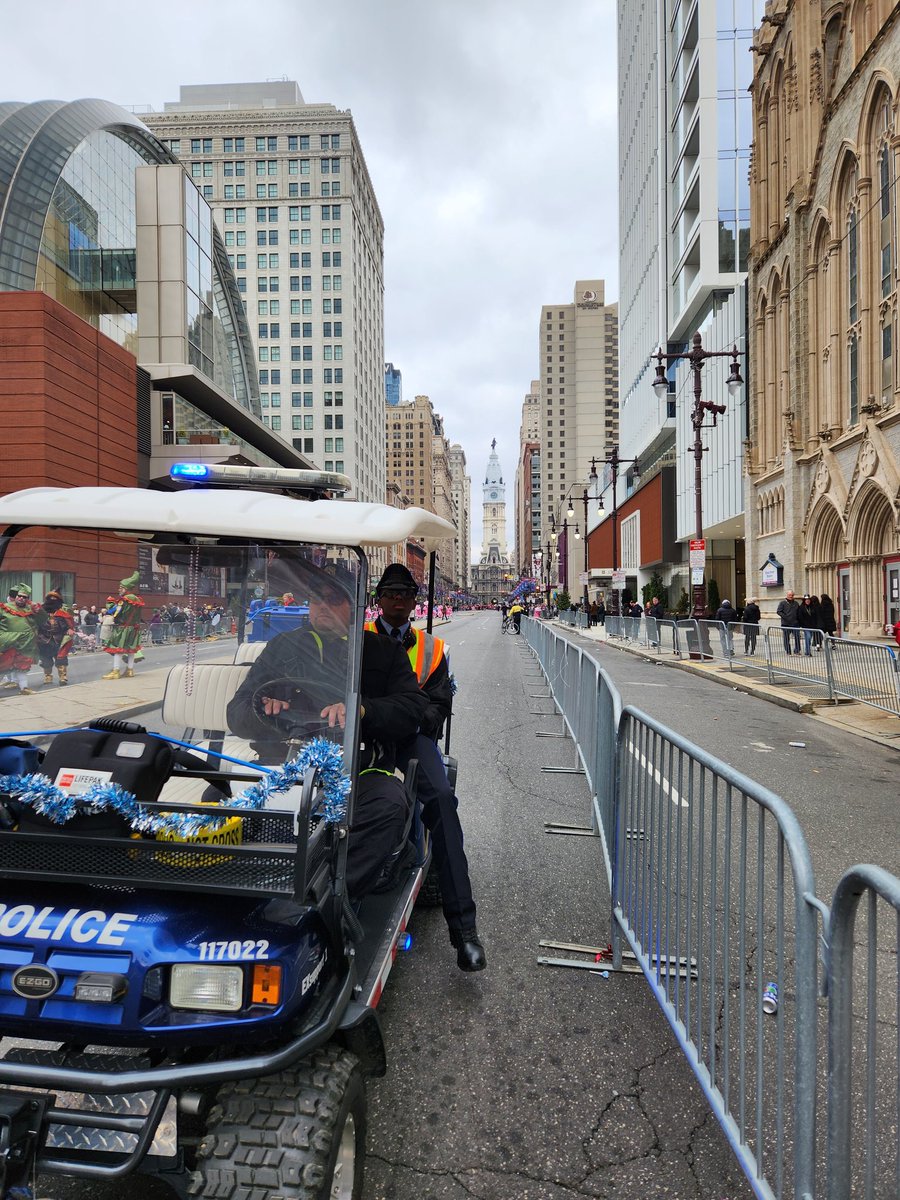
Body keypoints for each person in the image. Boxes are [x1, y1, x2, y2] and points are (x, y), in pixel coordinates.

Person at [227, 567, 428, 904]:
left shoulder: (381, 650)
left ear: (353, 605)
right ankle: (237, 890)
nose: (322, 606)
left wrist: (363, 710)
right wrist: (263, 709)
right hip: (282, 765)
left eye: (333, 599)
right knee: (214, 799)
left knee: (389, 806)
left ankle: (326, 900)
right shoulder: (282, 647)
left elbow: (413, 709)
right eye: (316, 598)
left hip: (357, 768)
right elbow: (237, 712)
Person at [368, 563, 486, 972]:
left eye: (406, 594)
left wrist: (405, 718)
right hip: (361, 736)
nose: (398, 601)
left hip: (412, 740)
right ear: (379, 599)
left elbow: (438, 708)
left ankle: (465, 931)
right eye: (391, 593)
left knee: (442, 801)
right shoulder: (358, 641)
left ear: (415, 603)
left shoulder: (433, 650)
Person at [102, 571, 144, 679]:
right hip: (134, 629)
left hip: (123, 628)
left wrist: (109, 605)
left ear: (126, 588)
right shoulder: (138, 600)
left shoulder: (123, 600)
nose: (119, 589)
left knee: (117, 649)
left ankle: (116, 671)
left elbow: (115, 612)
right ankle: (130, 670)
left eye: (121, 587)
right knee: (131, 650)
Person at [0, 585, 40, 695]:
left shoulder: (30, 610)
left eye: (24, 597)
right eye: (19, 596)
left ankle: (24, 688)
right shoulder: (4, 607)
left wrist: (37, 609)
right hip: (8, 641)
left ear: (27, 599)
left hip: (25, 643)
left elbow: (42, 620)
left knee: (22, 665)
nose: (21, 598)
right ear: (16, 597)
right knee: (2, 665)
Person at [36, 590, 75, 686]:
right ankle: (48, 676)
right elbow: (35, 623)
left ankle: (63, 677)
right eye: (50, 598)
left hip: (59, 639)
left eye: (55, 598)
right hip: (44, 639)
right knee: (46, 659)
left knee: (61, 658)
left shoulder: (63, 613)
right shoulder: (41, 612)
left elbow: (69, 624)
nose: (52, 600)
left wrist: (70, 629)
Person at [776, 590, 801, 655]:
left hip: (795, 624)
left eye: (792, 595)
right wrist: (786, 617)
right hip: (786, 624)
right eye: (790, 595)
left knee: (797, 637)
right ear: (787, 595)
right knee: (786, 638)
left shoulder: (796, 603)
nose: (791, 596)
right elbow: (779, 611)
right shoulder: (782, 603)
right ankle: (788, 651)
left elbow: (798, 613)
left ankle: (797, 650)